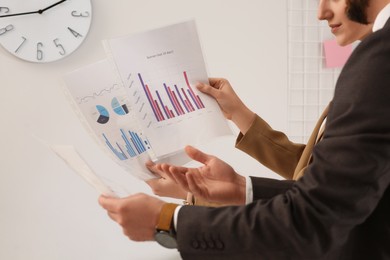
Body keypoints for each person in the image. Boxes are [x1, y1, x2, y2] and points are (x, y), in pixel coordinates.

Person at [99, 0, 390, 259]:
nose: (321, 12)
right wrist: (242, 189)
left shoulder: (379, 55)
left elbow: (315, 217)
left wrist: (169, 220)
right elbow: (340, 182)